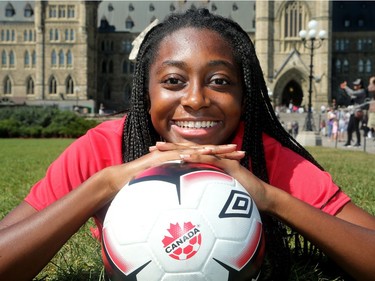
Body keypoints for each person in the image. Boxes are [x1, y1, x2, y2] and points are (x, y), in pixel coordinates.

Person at [1, 8, 375, 281]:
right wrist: (104, 185)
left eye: (220, 81)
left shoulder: (262, 155)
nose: (196, 99)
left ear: (245, 95)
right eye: (174, 81)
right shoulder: (104, 148)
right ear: (144, 92)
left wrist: (270, 198)